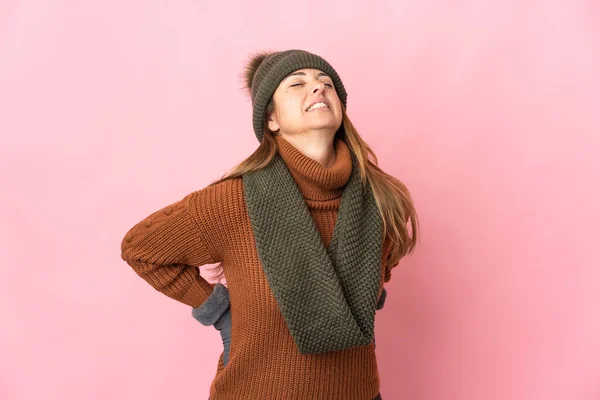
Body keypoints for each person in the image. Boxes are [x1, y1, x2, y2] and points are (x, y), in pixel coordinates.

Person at [120, 49, 419, 400]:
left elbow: (388, 260)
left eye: (327, 84)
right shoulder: (232, 202)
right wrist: (219, 311)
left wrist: (361, 286)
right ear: (272, 119)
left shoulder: (381, 200)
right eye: (297, 84)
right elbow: (140, 248)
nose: (318, 89)